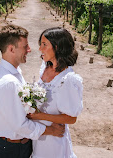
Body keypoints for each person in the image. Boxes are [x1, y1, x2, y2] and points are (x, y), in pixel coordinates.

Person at [0, 24, 65, 158]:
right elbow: (20, 126)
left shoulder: (10, 71)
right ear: (11, 49)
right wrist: (51, 130)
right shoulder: (9, 83)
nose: (29, 50)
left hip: (16, 145)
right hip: (13, 150)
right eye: (25, 46)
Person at [27, 27, 83, 158]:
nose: (40, 49)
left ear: (57, 48)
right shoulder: (45, 67)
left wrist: (39, 116)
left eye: (44, 44)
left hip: (54, 142)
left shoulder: (68, 80)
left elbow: (71, 118)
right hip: (39, 136)